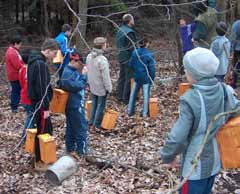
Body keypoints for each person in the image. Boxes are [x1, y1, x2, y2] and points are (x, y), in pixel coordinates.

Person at [160, 47, 240, 194]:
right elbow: (235, 111)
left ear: (195, 74)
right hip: (215, 162)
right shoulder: (224, 90)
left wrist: (167, 156)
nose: (185, 72)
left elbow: (177, 137)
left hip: (194, 168)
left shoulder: (190, 99)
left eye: (187, 70)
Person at [27, 39, 59, 170]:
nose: (55, 56)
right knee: (43, 130)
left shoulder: (35, 61)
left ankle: (42, 157)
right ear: (48, 51)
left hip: (37, 103)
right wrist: (45, 107)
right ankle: (41, 160)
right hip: (40, 105)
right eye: (54, 53)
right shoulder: (40, 64)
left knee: (45, 129)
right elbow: (42, 88)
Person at [60, 50, 88, 157]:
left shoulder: (72, 71)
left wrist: (82, 77)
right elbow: (75, 86)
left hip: (75, 102)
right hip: (74, 104)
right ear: (74, 61)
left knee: (72, 127)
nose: (80, 67)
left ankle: (71, 148)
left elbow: (78, 83)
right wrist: (84, 76)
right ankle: (82, 151)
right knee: (81, 127)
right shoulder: (67, 73)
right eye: (80, 64)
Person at [86, 37, 112, 129]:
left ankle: (91, 121)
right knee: (100, 106)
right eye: (105, 44)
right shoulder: (102, 60)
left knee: (94, 104)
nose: (106, 45)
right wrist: (109, 88)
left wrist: (88, 83)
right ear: (102, 46)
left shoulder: (89, 56)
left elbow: (88, 71)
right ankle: (96, 124)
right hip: (101, 87)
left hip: (92, 84)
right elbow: (106, 77)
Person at [127, 37, 155, 117]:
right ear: (146, 44)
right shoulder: (149, 55)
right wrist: (151, 79)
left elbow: (130, 64)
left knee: (133, 95)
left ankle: (130, 111)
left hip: (137, 77)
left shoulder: (134, 52)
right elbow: (152, 69)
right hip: (146, 79)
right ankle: (145, 114)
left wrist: (136, 71)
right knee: (146, 96)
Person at [116, 14, 137, 104]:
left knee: (122, 77)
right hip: (128, 58)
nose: (134, 20)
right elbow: (132, 47)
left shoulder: (119, 30)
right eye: (133, 19)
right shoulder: (129, 32)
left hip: (121, 57)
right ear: (129, 21)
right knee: (128, 78)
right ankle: (126, 99)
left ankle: (119, 96)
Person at [19, 50, 36, 140]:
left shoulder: (21, 69)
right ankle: (25, 137)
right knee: (30, 117)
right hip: (28, 98)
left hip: (24, 96)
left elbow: (21, 83)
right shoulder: (29, 70)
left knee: (30, 116)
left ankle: (30, 135)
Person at [5, 34, 24, 112]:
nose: (20, 46)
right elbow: (17, 65)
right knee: (16, 91)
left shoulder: (13, 50)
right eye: (20, 44)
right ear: (15, 43)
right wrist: (24, 66)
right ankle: (14, 107)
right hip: (15, 76)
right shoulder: (12, 52)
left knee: (17, 90)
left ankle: (15, 105)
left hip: (14, 75)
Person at [230, 19, 240, 88]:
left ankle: (234, 84)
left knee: (236, 67)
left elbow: (233, 38)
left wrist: (231, 50)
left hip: (238, 49)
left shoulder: (237, 24)